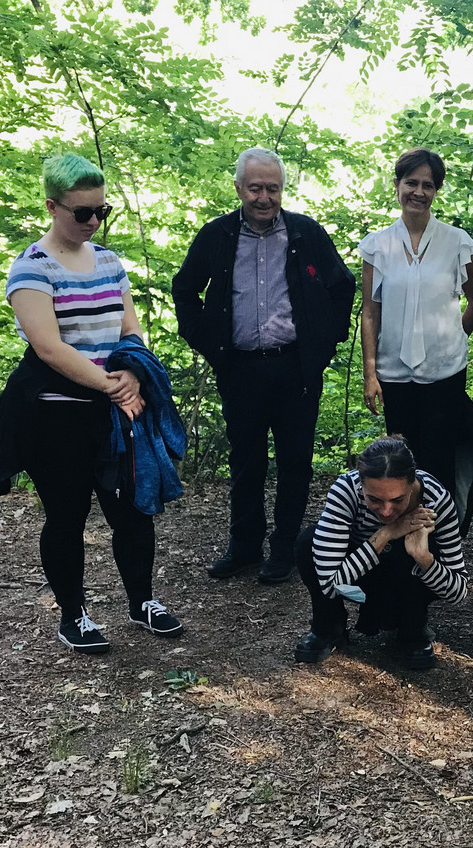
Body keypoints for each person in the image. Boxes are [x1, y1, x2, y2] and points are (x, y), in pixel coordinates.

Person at [0, 153, 184, 654]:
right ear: (52, 207)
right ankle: (73, 615)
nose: (94, 221)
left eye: (102, 211)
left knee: (133, 511)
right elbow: (49, 347)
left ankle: (142, 602)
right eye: (83, 212)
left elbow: (130, 328)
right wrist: (113, 386)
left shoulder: (109, 262)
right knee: (66, 516)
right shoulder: (31, 269)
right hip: (56, 416)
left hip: (114, 411)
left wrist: (133, 373)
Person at [172, 147, 357, 584]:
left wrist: (323, 345)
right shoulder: (217, 235)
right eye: (255, 188)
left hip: (296, 367)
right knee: (245, 460)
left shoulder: (305, 233)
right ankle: (244, 547)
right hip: (240, 368)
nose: (264, 197)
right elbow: (185, 289)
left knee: (296, 461)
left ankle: (286, 549)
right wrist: (208, 342)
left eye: (272, 188)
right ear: (238, 188)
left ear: (282, 189)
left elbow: (343, 286)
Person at [359, 148, 473, 532]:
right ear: (397, 185)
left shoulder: (457, 242)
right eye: (411, 183)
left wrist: (454, 340)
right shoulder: (377, 246)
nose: (418, 192)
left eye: (428, 185)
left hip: (444, 373)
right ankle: (404, 534)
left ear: (437, 190)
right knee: (402, 461)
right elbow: (370, 312)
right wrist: (370, 373)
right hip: (394, 373)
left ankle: (443, 539)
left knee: (440, 459)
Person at [293, 436, 469, 671]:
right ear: (361, 485)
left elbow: (459, 592)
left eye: (398, 500)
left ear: (412, 483)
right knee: (309, 542)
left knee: (421, 547)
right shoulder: (345, 490)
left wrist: (424, 559)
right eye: (374, 499)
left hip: (406, 579)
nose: (386, 511)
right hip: (360, 575)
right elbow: (330, 585)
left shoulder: (437, 499)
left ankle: (412, 628)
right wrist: (386, 534)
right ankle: (328, 626)